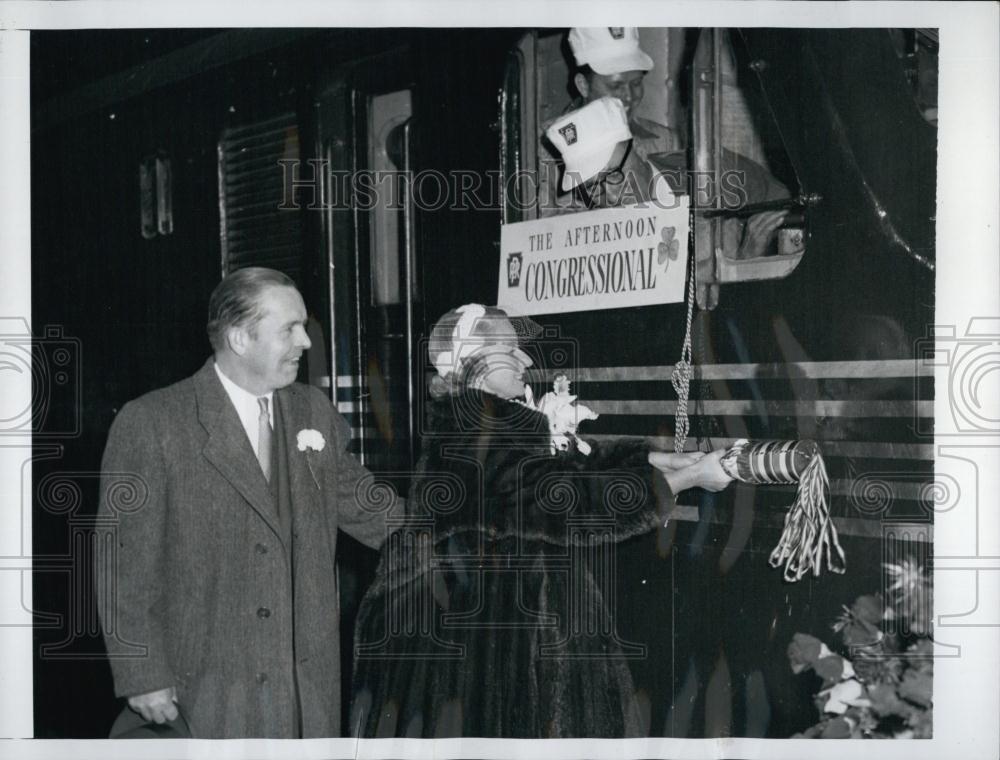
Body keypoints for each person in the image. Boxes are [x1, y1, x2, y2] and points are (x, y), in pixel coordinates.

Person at [349, 304, 733, 737]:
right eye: (511, 350)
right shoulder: (479, 430)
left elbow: (560, 474)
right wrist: (691, 477)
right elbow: (569, 503)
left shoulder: (478, 421)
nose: (527, 361)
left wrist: (661, 458)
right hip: (503, 644)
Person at [96, 267, 388, 738]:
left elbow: (369, 505)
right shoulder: (154, 423)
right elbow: (124, 566)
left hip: (302, 691)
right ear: (239, 338)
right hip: (207, 687)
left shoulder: (312, 411)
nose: (305, 342)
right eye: (289, 329)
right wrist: (143, 674)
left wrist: (459, 534)